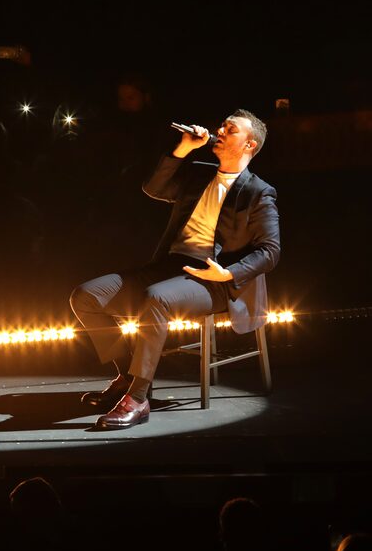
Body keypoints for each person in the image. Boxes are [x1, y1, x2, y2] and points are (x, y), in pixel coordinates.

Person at [69, 109, 280, 429]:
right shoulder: (197, 172)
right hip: (170, 267)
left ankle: (138, 399)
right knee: (86, 295)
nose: (220, 130)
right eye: (221, 125)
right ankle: (129, 374)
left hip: (214, 280)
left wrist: (228, 273)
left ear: (249, 145)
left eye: (230, 129)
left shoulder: (258, 191)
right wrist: (183, 148)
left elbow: (270, 250)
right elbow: (153, 188)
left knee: (157, 298)